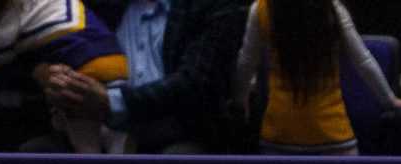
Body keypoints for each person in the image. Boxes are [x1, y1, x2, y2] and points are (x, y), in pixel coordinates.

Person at [39, 0, 250, 154]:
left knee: (180, 159)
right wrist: (61, 82)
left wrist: (109, 103)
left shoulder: (216, 6)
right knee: (37, 153)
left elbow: (196, 83)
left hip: (175, 127)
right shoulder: (103, 6)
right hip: (94, 125)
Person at [234, 0, 401, 155]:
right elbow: (363, 61)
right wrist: (389, 100)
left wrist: (240, 101)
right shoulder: (331, 8)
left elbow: (246, 63)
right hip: (334, 136)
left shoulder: (261, 9)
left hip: (279, 135)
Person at [0, 0, 131, 153]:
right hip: (115, 63)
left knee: (86, 148)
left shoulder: (12, 12)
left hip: (84, 71)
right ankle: (114, 141)